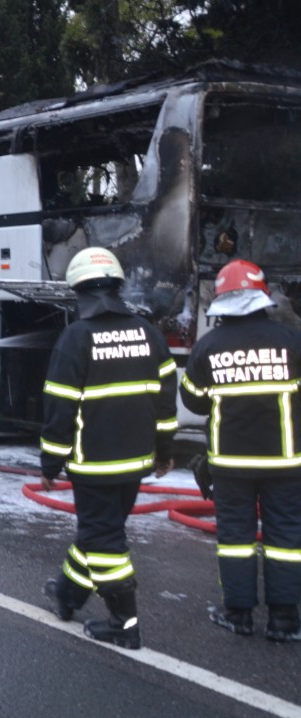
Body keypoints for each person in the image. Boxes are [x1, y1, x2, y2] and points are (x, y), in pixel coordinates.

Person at [40, 247, 176, 651]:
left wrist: (51, 460)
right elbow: (165, 402)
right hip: (135, 462)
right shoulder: (149, 333)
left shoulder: (76, 337)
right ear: (118, 286)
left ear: (78, 290)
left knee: (103, 539)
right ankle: (68, 594)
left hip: (95, 464)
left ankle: (125, 621)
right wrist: (165, 450)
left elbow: (59, 406)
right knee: (103, 531)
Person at [179, 259, 301, 642]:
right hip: (285, 462)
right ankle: (284, 620)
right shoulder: (291, 341)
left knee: (236, 538)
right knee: (286, 538)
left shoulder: (209, 347)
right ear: (261, 297)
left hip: (230, 465)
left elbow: (194, 402)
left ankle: (239, 614)